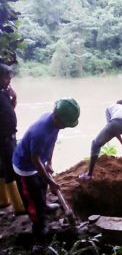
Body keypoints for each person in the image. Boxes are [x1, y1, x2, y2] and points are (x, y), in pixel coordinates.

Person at [12, 98, 80, 249]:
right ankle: (39, 236)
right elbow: (34, 159)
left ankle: (44, 205)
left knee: (42, 187)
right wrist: (51, 182)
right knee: (32, 199)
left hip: (37, 162)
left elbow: (52, 142)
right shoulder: (40, 131)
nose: (65, 127)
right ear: (56, 117)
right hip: (24, 167)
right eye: (65, 124)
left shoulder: (55, 124)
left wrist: (49, 162)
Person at [80, 99, 122, 182]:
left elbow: (113, 127)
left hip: (114, 123)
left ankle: (89, 174)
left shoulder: (111, 108)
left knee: (96, 144)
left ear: (117, 105)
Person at [0, 62, 25, 213]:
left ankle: (3, 201)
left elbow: (8, 111)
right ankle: (20, 207)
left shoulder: (3, 93)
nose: (9, 80)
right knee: (11, 169)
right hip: (4, 138)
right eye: (6, 77)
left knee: (2, 170)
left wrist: (13, 98)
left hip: (7, 136)